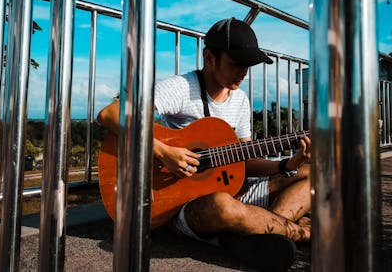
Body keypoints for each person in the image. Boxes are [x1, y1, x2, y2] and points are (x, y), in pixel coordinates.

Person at [97, 18, 311, 271]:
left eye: (248, 66)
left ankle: (255, 234)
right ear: (209, 58)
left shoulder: (240, 101)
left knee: (313, 173)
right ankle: (300, 233)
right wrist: (163, 152)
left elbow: (243, 162)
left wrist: (287, 164)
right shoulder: (182, 88)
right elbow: (110, 114)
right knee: (221, 205)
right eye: (236, 64)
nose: (243, 72)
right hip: (183, 204)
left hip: (236, 192)